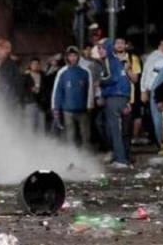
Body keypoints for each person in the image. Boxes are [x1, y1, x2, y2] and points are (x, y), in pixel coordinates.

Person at [98, 39, 133, 168]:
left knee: (114, 130)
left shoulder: (109, 61)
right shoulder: (116, 61)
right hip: (121, 97)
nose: (99, 51)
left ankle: (121, 159)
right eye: (99, 48)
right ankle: (121, 157)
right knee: (113, 129)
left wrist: (100, 81)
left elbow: (112, 78)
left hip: (114, 96)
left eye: (102, 48)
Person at [51, 46, 94, 148]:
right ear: (67, 57)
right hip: (68, 110)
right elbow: (57, 91)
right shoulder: (62, 72)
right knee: (70, 136)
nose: (73, 58)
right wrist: (55, 109)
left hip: (83, 110)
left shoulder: (85, 72)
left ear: (78, 57)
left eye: (75, 56)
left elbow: (90, 90)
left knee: (85, 136)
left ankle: (86, 157)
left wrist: (90, 105)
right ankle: (72, 158)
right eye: (70, 56)